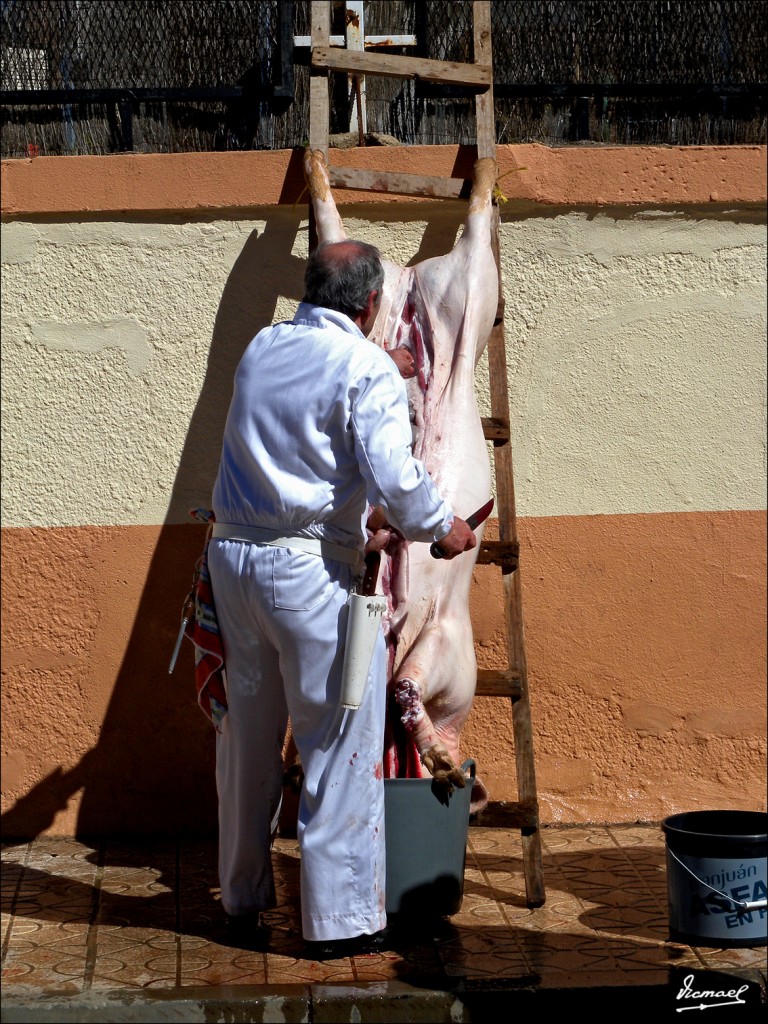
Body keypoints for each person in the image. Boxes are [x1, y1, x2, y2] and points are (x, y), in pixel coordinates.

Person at [207, 238, 476, 959]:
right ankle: (339, 925)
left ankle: (241, 899)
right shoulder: (363, 368)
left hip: (234, 561)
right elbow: (396, 479)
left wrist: (383, 369)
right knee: (335, 740)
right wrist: (441, 527)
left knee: (249, 739)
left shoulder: (264, 346)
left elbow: (315, 385)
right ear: (370, 304)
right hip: (307, 576)